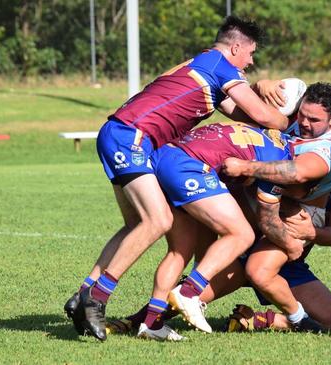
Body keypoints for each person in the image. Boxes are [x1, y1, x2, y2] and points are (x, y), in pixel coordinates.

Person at [65, 16, 289, 341]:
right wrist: (288, 117)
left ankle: (84, 293)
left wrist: (259, 88)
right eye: (251, 54)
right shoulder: (219, 63)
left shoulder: (207, 67)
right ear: (236, 47)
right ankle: (96, 300)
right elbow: (263, 116)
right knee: (157, 221)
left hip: (125, 135)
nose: (251, 62)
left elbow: (241, 111)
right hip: (132, 137)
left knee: (138, 224)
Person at [107, 166, 331, 335]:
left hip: (287, 265)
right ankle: (136, 320)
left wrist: (311, 233)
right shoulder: (286, 158)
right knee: (185, 297)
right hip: (242, 254)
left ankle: (261, 320)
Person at [222, 82, 331, 331]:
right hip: (251, 225)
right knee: (192, 294)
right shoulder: (294, 119)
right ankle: (145, 318)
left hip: (286, 240)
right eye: (303, 114)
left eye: (314, 120)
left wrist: (312, 233)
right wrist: (259, 87)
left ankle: (271, 319)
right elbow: (231, 104)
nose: (304, 123)